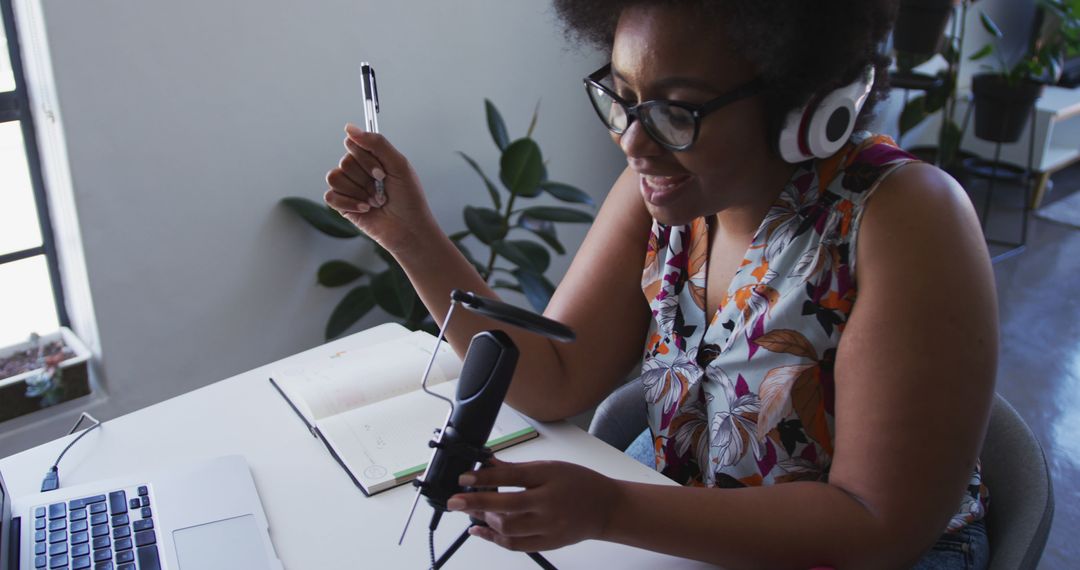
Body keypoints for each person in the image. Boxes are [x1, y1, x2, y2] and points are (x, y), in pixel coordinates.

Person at [323, 1, 997, 567]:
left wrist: (613, 507)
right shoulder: (660, 196)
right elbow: (556, 377)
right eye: (622, 97)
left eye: (679, 112)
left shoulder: (906, 220)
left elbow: (878, 522)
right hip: (692, 522)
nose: (632, 142)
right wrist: (408, 234)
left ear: (807, 105)